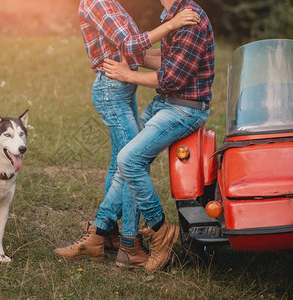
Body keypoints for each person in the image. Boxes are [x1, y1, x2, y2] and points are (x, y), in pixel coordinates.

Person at [54, 0, 200, 268]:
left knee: (121, 165)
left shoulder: (112, 3)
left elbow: (134, 53)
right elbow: (131, 44)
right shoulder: (97, 2)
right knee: (131, 163)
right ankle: (129, 245)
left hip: (121, 89)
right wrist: (171, 25)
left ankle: (104, 234)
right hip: (112, 91)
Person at [101, 0, 215, 272]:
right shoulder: (172, 14)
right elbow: (169, 59)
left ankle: (160, 230)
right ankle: (110, 235)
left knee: (129, 159)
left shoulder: (191, 19)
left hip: (184, 109)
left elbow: (171, 77)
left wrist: (128, 74)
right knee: (124, 163)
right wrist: (136, 57)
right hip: (165, 104)